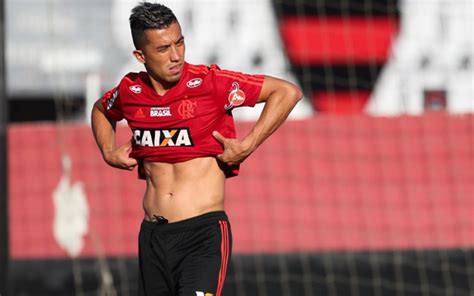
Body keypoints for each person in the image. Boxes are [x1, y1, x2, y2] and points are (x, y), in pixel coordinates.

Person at [91, 2, 302, 296]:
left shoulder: (210, 83)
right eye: (163, 49)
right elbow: (101, 110)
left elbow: (287, 92)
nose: (176, 55)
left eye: (179, 43)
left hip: (201, 236)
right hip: (152, 237)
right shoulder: (130, 91)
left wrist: (247, 145)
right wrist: (108, 150)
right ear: (140, 55)